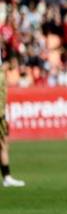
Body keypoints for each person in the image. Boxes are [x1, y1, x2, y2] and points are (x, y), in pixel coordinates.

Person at [0, 46, 25, 188]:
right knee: (3, 144)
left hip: (1, 112)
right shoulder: (2, 75)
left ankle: (7, 177)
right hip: (0, 114)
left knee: (3, 143)